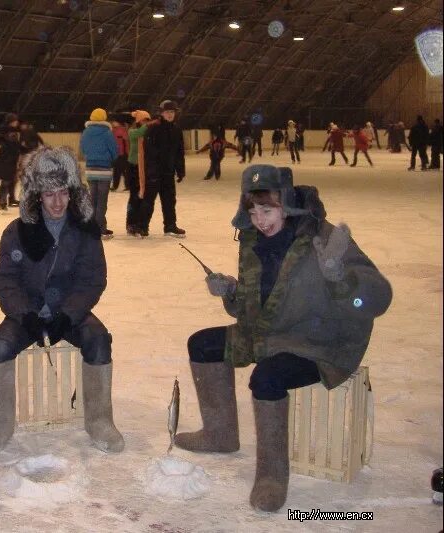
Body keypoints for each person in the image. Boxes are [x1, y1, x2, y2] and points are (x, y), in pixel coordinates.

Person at [173, 164, 392, 512]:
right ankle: (220, 434)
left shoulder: (324, 238)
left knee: (267, 377)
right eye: (254, 211)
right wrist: (230, 291)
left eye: (268, 209)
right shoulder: (254, 241)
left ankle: (272, 475)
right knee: (202, 344)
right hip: (269, 335)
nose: (261, 219)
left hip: (318, 343)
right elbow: (252, 310)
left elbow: (378, 299)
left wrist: (340, 277)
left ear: (286, 205)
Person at [0, 145, 124, 456]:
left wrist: (69, 315)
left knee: (98, 340)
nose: (57, 202)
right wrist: (24, 314)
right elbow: (4, 279)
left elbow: (92, 279)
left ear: (72, 194)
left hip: (69, 311)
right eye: (48, 194)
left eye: (63, 193)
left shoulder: (85, 231)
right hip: (27, 312)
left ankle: (99, 420)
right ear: (37, 196)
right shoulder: (18, 232)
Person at [138, 100, 186, 237]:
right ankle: (142, 227)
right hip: (154, 172)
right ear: (162, 113)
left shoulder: (177, 130)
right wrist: (151, 169)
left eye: (172, 112)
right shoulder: (153, 128)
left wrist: (180, 170)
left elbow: (179, 152)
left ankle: (170, 226)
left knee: (169, 200)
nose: (170, 114)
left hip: (168, 172)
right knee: (148, 200)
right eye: (167, 112)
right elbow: (148, 151)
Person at [79, 107, 117, 237]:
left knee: (93, 200)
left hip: (90, 169)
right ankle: (100, 228)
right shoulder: (107, 133)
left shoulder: (85, 132)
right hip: (104, 170)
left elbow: (82, 149)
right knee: (102, 201)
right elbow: (114, 150)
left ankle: (92, 226)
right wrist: (110, 159)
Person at [125, 110, 154, 236]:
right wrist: (151, 124)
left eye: (148, 120)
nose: (146, 123)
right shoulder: (133, 132)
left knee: (143, 196)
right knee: (134, 196)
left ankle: (140, 223)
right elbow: (140, 132)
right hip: (133, 167)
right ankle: (130, 222)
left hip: (145, 167)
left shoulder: (147, 132)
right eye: (144, 120)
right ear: (139, 121)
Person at [109, 115, 129, 192]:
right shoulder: (114, 130)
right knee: (121, 171)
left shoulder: (121, 130)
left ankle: (117, 186)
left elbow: (126, 142)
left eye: (114, 121)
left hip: (122, 153)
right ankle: (122, 186)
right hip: (119, 153)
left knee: (120, 171)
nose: (113, 123)